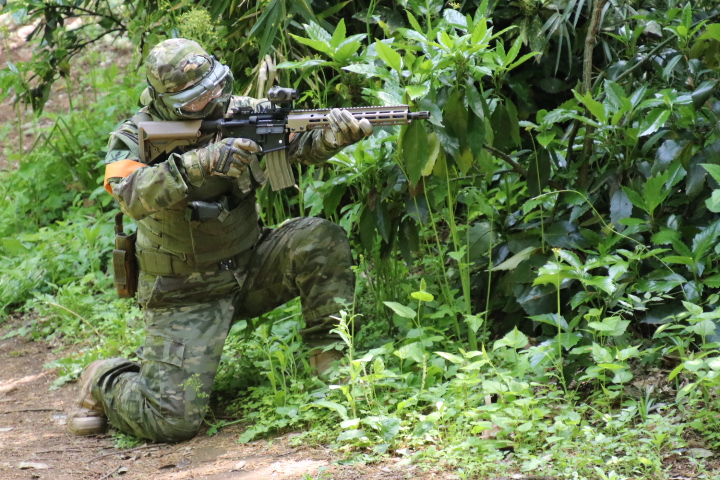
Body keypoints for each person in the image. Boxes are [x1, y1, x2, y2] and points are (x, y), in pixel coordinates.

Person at [65, 38, 372, 442]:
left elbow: (297, 145)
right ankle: (103, 378)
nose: (212, 100)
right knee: (170, 422)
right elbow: (131, 194)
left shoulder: (243, 112)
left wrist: (331, 138)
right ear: (165, 100)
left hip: (250, 267)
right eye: (196, 98)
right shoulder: (131, 136)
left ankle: (331, 363)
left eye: (216, 87)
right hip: (184, 292)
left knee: (319, 238)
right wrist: (199, 163)